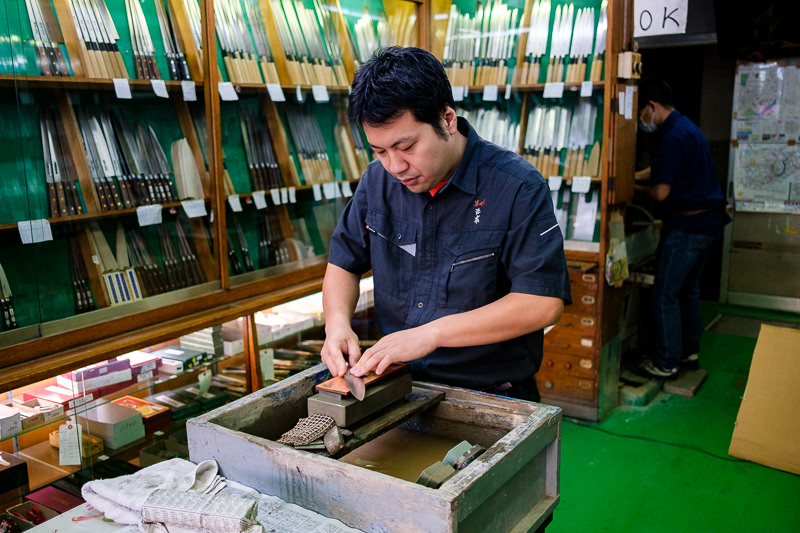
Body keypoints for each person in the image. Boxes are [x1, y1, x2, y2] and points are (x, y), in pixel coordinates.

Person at [320, 47, 571, 402]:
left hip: (492, 394)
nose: (395, 166)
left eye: (405, 146)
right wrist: (337, 326)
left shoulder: (516, 187)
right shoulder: (377, 183)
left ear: (447, 120)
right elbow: (342, 263)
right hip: (398, 387)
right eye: (379, 151)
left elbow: (542, 303)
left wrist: (431, 334)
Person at [634, 78, 730, 379]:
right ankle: (688, 352)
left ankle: (666, 362)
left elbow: (661, 192)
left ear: (651, 106)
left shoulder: (672, 136)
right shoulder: (687, 127)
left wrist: (629, 187)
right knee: (688, 290)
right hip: (709, 224)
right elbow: (664, 167)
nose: (641, 121)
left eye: (641, 113)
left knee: (665, 293)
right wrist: (633, 173)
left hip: (689, 227)